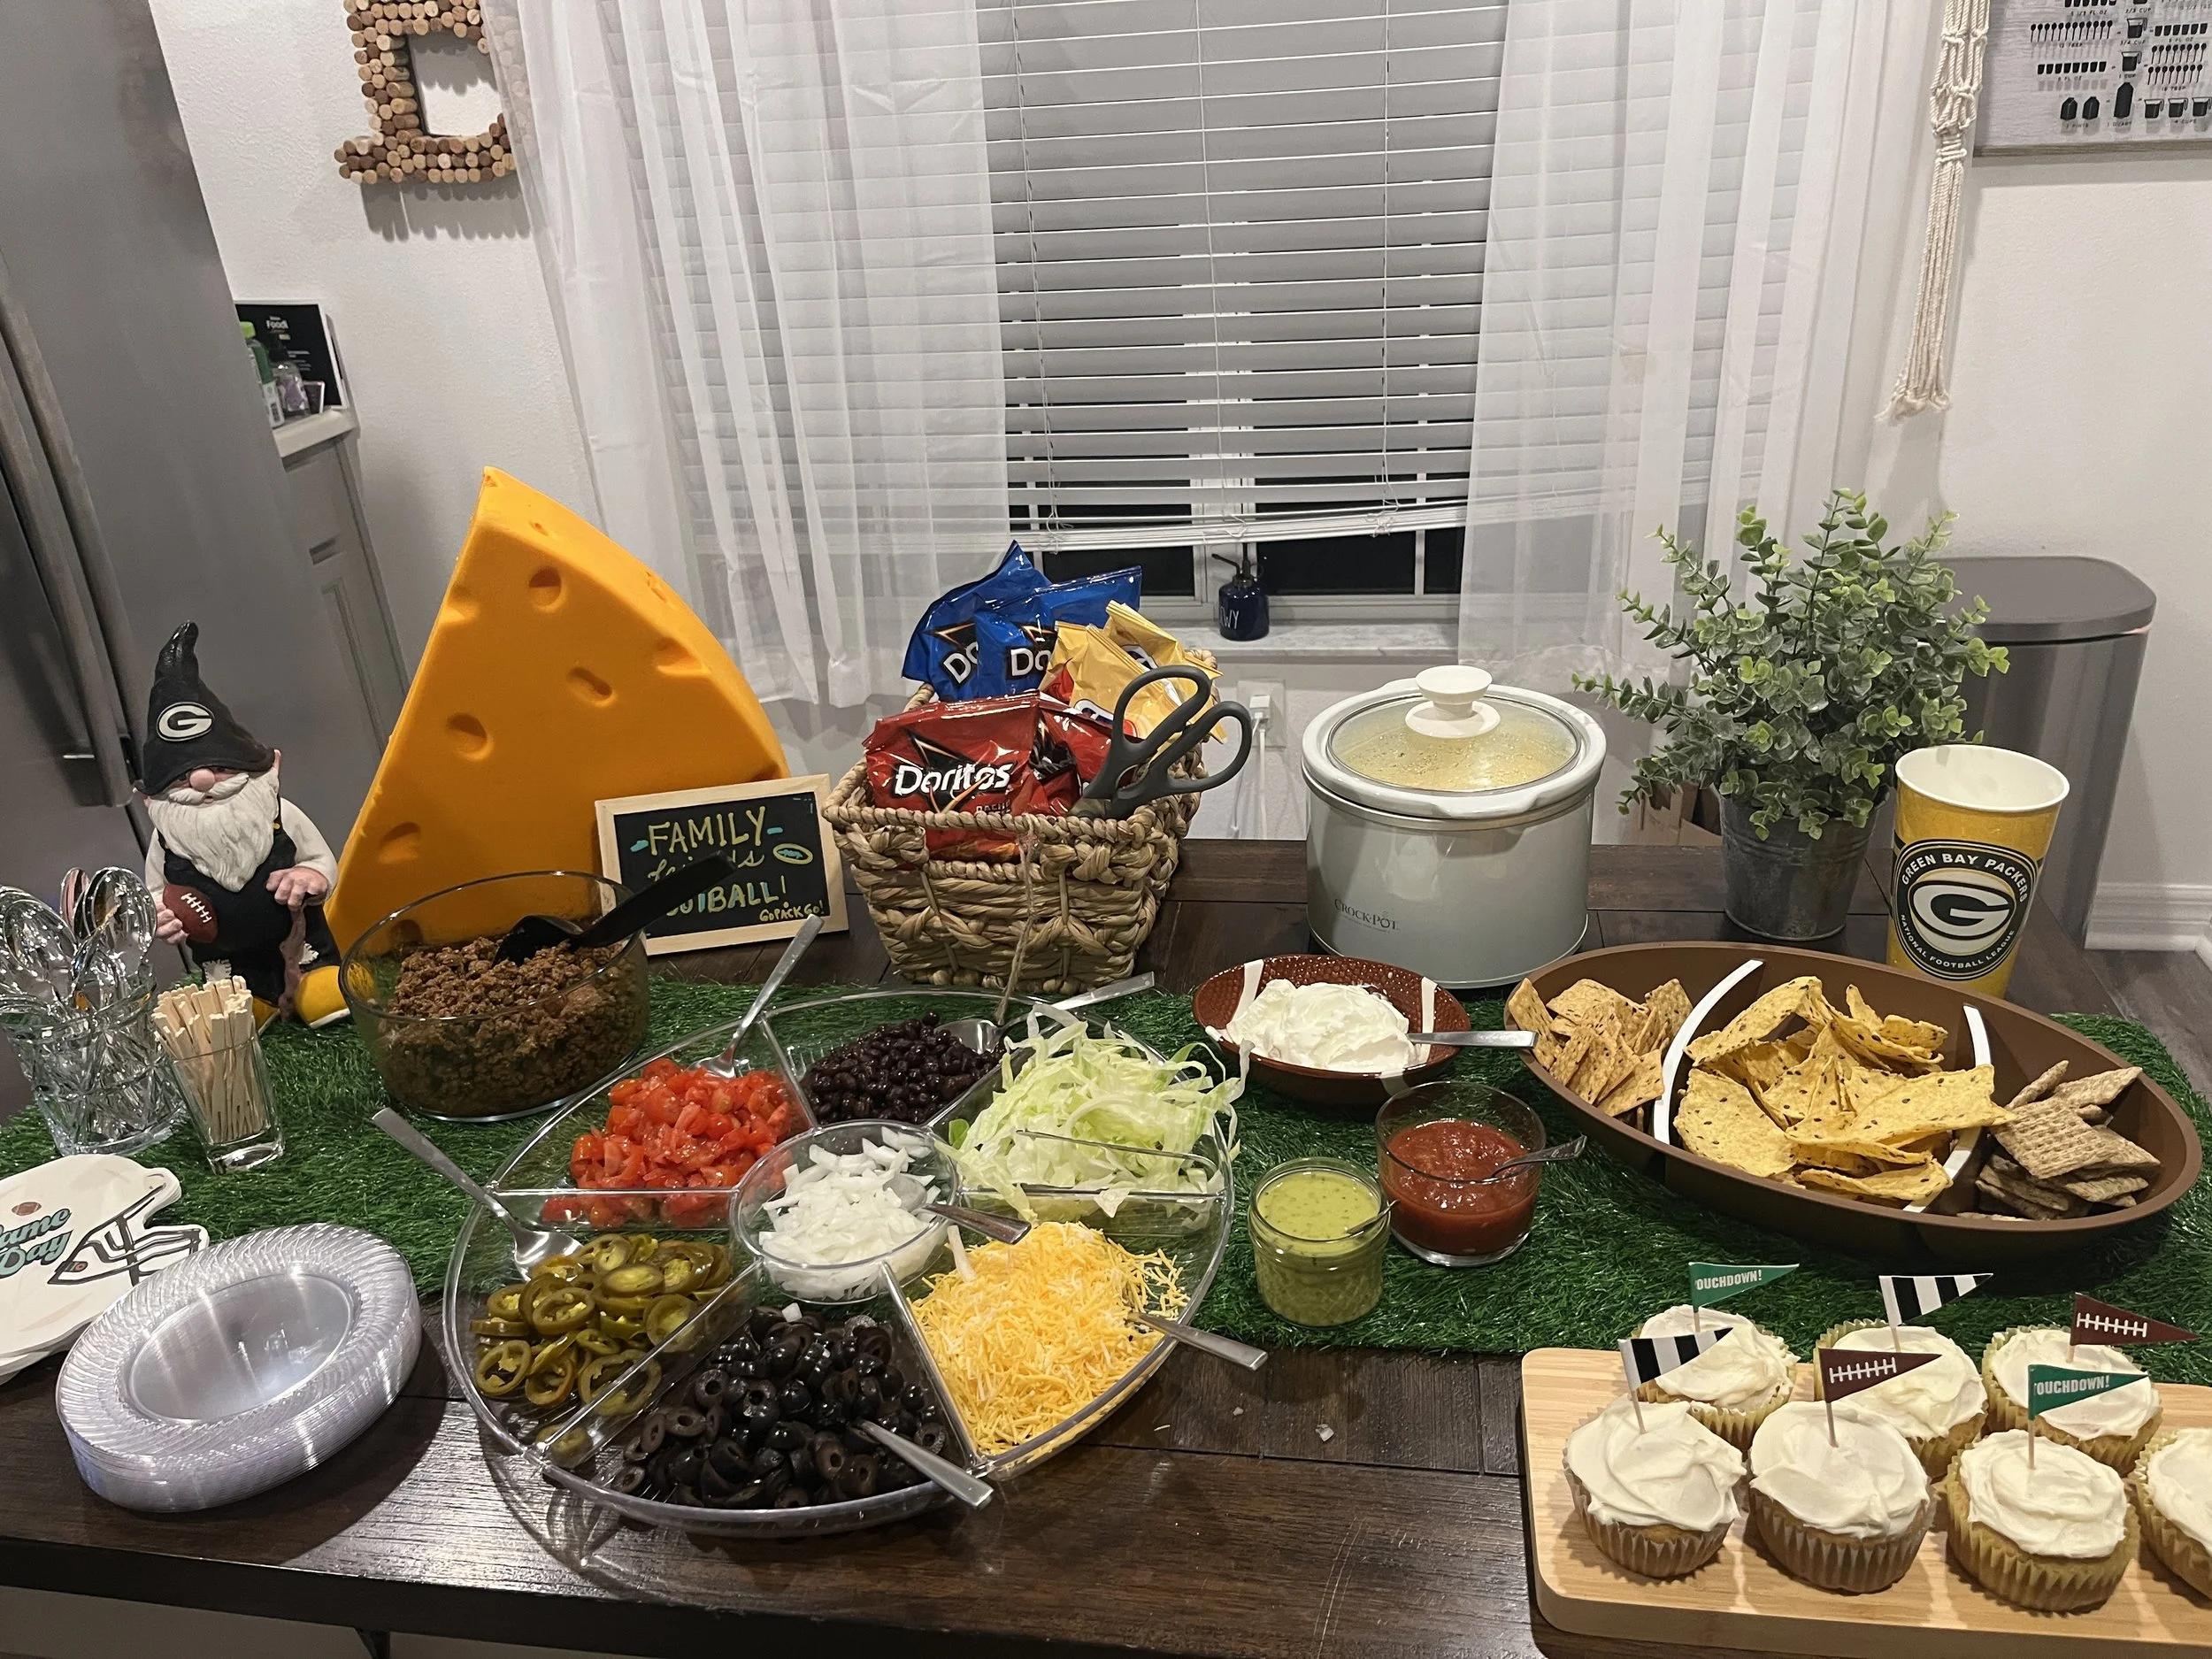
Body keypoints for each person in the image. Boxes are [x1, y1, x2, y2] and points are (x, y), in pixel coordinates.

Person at [139, 623, 338, 1012]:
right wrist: (158, 916)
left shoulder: (280, 814)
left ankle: (318, 983)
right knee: (239, 1011)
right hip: (226, 969)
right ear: (151, 799)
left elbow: (321, 860)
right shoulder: (166, 841)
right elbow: (154, 892)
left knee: (325, 998)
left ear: (269, 767)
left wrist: (313, 876)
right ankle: (255, 1000)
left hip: (305, 945)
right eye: (181, 777)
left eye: (222, 768)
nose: (202, 782)